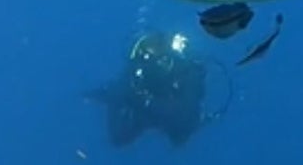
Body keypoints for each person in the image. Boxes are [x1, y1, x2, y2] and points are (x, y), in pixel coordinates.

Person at [89, 28, 230, 148]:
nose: (153, 60)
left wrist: (142, 101)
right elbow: (118, 138)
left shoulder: (187, 72)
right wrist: (115, 99)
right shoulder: (138, 70)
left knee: (179, 133)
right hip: (149, 110)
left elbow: (184, 114)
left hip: (178, 121)